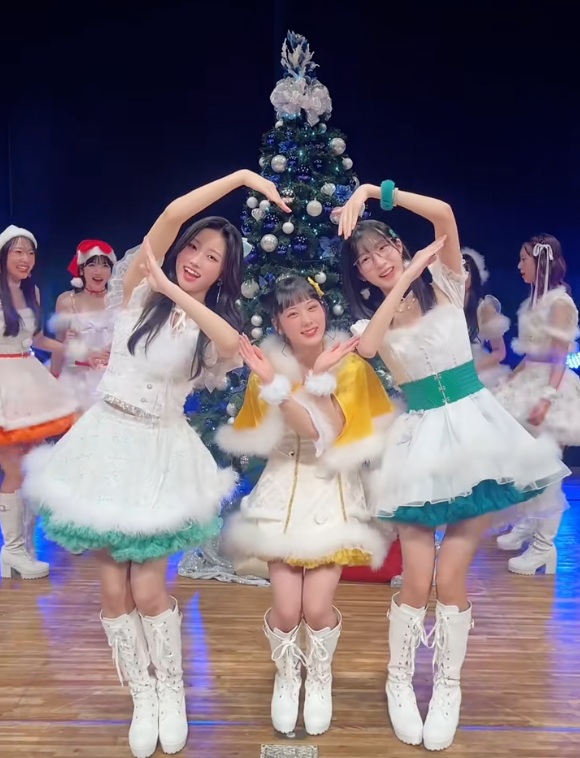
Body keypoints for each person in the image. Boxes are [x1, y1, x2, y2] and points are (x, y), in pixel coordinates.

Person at [22, 169, 291, 758]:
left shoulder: (208, 325)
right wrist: (242, 178)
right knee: (112, 588)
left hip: (161, 452)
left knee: (148, 588)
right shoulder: (138, 290)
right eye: (194, 248)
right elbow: (171, 214)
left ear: (223, 273)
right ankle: (143, 693)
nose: (196, 259)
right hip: (105, 443)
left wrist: (177, 291)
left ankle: (172, 690)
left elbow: (229, 344)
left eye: (213, 258)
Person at [338, 181, 569, 752]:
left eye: (383, 248)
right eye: (365, 259)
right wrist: (400, 279)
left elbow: (442, 212)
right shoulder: (372, 319)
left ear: (398, 244)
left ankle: (448, 684)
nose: (378, 261)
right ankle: (398, 680)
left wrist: (373, 191)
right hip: (418, 442)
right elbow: (368, 347)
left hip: (475, 436)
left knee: (450, 580)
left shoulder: (446, 282)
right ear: (360, 273)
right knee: (416, 581)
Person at [217, 275, 395, 737]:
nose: (306, 319)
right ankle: (287, 674)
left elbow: (328, 436)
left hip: (331, 493)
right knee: (285, 610)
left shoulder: (350, 366)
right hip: (281, 495)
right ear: (279, 323)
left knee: (316, 610)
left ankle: (318, 676)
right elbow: (263, 437)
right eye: (292, 313)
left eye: (311, 307)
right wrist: (273, 382)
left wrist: (312, 384)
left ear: (323, 307)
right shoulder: (265, 369)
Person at [494, 234, 580, 573]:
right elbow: (531, 353)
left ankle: (544, 547)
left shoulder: (560, 304)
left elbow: (558, 357)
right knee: (526, 463)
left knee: (547, 470)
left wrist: (547, 399)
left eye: (524, 259)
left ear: (541, 262)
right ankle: (528, 523)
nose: (519, 266)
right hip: (529, 380)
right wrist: (509, 379)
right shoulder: (535, 302)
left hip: (551, 386)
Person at [0, 224, 76, 580]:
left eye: (30, 253)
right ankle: (13, 550)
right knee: (14, 469)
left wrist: (75, 349)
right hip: (5, 384)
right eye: (18, 252)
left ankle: (24, 547)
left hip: (28, 376)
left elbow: (38, 338)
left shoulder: (32, 291)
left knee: (29, 468)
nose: (26, 259)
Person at [50, 239, 117, 414]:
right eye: (92, 265)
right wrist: (52, 378)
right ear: (81, 270)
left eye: (104, 265)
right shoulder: (66, 301)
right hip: (75, 380)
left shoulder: (119, 301)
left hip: (109, 381)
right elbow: (58, 344)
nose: (98, 271)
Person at [461, 248, 510, 388]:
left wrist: (474, 369)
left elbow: (500, 351)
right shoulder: (446, 307)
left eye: (465, 272)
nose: (460, 277)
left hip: (477, 370)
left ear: (473, 276)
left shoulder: (484, 308)